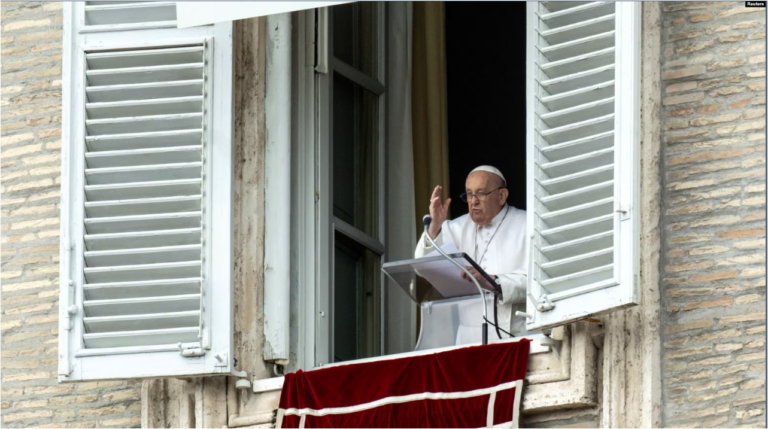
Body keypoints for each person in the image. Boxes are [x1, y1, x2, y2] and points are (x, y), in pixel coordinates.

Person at [414, 165, 528, 338]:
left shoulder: (527, 224)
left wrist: (494, 282)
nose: (473, 201)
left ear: (501, 196)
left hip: (515, 334)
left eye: (481, 193)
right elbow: (422, 266)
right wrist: (434, 227)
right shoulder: (456, 228)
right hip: (467, 337)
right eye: (469, 193)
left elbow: (539, 281)